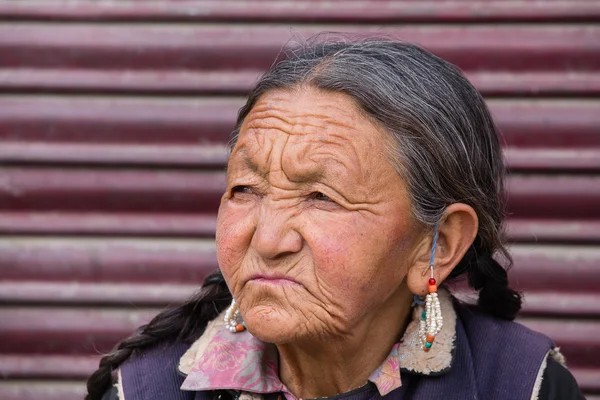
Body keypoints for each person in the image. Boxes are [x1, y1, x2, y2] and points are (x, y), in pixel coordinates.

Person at [86, 37, 584, 400]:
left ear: (439, 243)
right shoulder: (147, 390)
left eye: (321, 196)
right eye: (245, 189)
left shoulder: (522, 385)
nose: (268, 237)